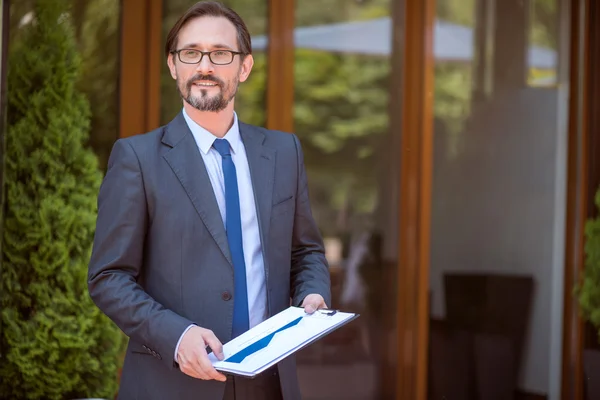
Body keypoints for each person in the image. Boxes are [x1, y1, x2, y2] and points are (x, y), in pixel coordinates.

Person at [87, 1, 331, 399]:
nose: (205, 66)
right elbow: (108, 277)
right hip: (174, 383)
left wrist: (312, 294)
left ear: (244, 67)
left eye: (220, 54)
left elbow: (306, 251)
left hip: (269, 383)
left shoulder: (285, 153)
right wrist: (176, 335)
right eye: (191, 53)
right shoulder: (137, 159)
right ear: (173, 66)